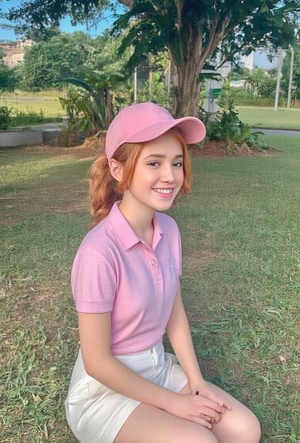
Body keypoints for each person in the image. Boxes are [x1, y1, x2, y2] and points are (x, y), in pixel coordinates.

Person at [65, 102, 261, 443]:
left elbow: (175, 313)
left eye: (177, 162)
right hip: (105, 390)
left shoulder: (169, 230)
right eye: (154, 163)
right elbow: (97, 361)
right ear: (117, 168)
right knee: (199, 440)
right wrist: (174, 404)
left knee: (245, 430)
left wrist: (196, 382)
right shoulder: (98, 251)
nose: (170, 176)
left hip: (157, 369)